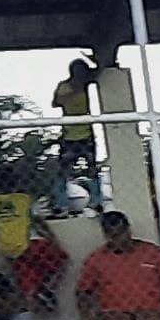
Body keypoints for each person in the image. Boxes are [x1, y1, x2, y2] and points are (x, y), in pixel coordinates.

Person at [49, 56, 103, 215]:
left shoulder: (87, 85)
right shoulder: (65, 86)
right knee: (63, 171)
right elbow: (56, 102)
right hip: (70, 136)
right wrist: (73, 91)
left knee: (92, 168)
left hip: (86, 134)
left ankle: (96, 201)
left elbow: (100, 71)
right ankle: (61, 204)